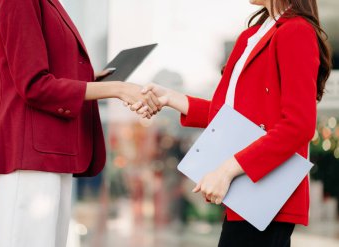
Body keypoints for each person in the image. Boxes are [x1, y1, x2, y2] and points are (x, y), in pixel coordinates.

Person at [129, 0, 332, 246]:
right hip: (247, 193)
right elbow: (228, 116)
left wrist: (226, 170)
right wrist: (171, 98)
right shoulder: (253, 35)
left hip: (266, 197)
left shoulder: (296, 31)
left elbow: (299, 126)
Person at [0, 0, 158, 246]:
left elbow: (43, 71)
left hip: (49, 154)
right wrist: (117, 88)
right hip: (31, 158)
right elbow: (34, 85)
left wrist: (89, 78)